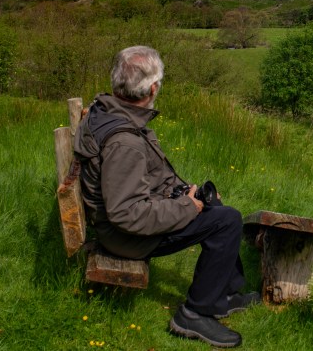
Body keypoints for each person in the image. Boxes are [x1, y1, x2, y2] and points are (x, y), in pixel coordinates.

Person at [73, 45, 258, 348]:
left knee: (214, 205)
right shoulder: (125, 141)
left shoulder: (113, 112)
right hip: (125, 237)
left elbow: (148, 175)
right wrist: (187, 207)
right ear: (153, 88)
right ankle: (194, 314)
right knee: (227, 221)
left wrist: (184, 192)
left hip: (123, 222)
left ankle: (224, 296)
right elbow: (126, 214)